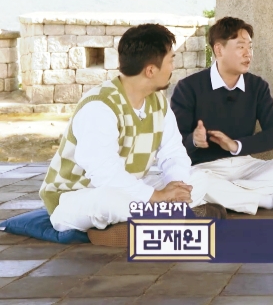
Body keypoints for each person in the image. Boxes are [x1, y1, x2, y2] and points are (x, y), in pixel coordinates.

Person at [40, 24, 226, 246]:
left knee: (197, 178)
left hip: (130, 190)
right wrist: (157, 196)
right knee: (110, 201)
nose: (173, 67)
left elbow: (173, 152)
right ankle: (167, 218)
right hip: (76, 196)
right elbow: (105, 175)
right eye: (171, 60)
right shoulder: (99, 106)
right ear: (150, 70)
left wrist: (177, 187)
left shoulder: (158, 102)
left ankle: (151, 221)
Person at [170, 16, 273, 213]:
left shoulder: (257, 86)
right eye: (240, 47)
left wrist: (236, 145)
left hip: (245, 166)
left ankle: (224, 195)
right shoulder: (189, 87)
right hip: (204, 168)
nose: (248, 54)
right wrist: (194, 140)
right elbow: (174, 144)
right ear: (219, 50)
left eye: (250, 47)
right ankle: (269, 201)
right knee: (192, 182)